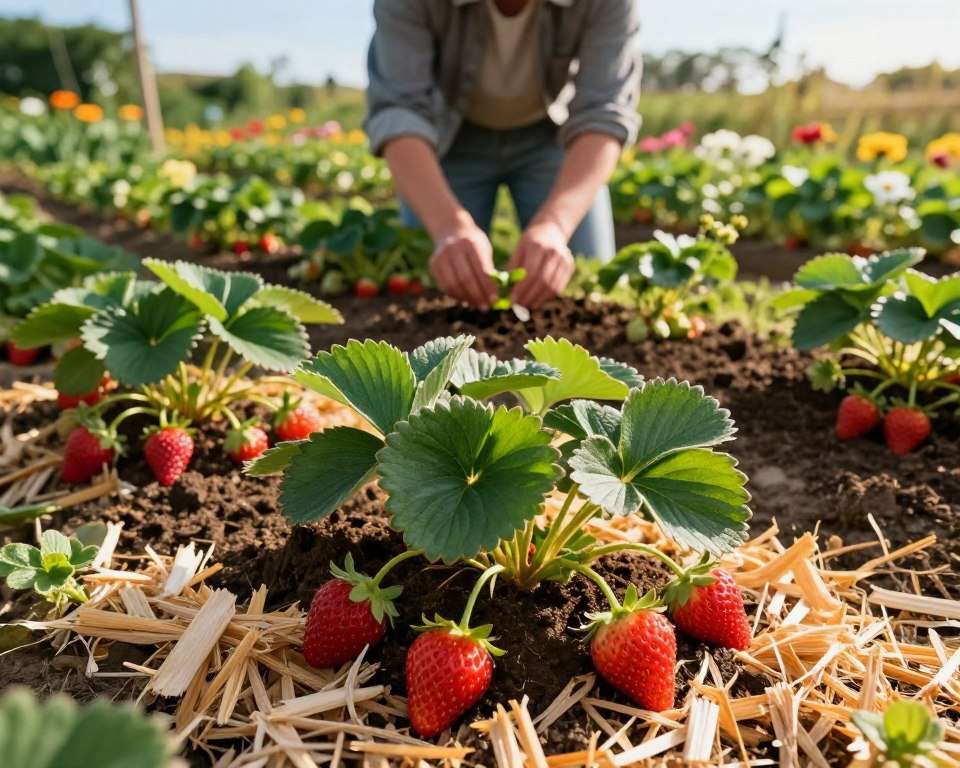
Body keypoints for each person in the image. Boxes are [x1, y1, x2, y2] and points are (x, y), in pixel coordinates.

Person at [365, 0, 641, 308]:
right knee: (433, 285)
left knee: (586, 284)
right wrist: (448, 228)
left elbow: (604, 113)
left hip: (550, 137)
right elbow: (399, 109)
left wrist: (555, 226)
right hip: (450, 140)